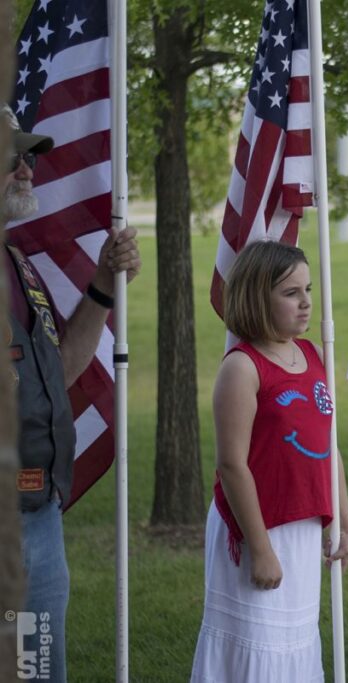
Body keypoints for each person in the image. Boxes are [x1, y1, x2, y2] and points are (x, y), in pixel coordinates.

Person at [5, 105, 140, 683]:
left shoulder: (18, 265)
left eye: (29, 156)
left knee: (35, 670)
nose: (27, 168)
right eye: (14, 156)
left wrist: (103, 287)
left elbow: (55, 376)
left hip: (37, 515)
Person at [190, 241, 348, 682]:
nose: (306, 303)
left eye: (308, 289)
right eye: (290, 293)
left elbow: (327, 443)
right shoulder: (242, 368)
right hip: (257, 528)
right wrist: (260, 549)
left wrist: (343, 516)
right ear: (255, 298)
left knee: (295, 641)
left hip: (301, 525)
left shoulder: (312, 356)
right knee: (259, 641)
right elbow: (232, 465)